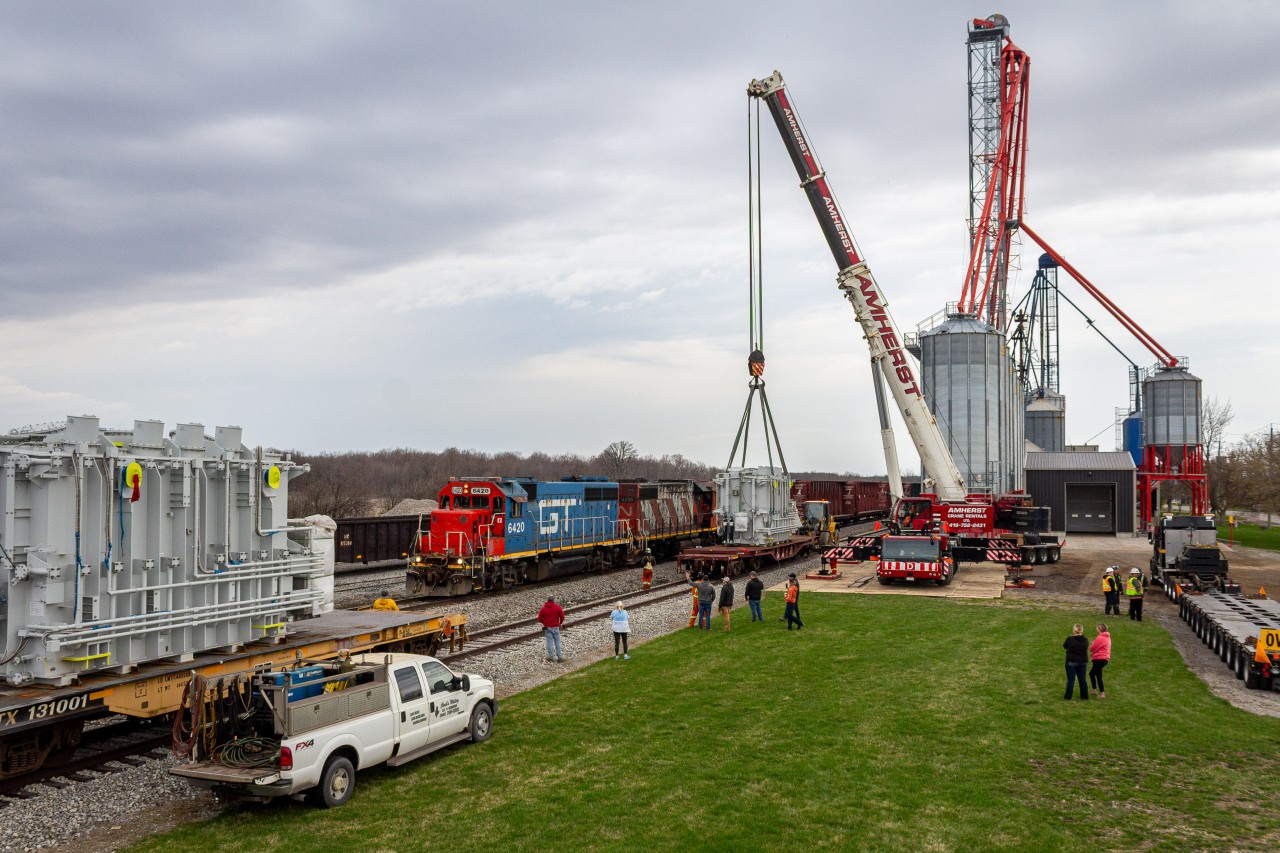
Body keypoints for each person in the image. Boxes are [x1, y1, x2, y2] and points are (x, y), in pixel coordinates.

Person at [1063, 623, 1089, 700]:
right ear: (1082, 630)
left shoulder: (1070, 638)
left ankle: (1068, 697)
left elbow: (1065, 646)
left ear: (1074, 630)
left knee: (1071, 680)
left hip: (1071, 662)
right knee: (1082, 680)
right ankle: (1084, 696)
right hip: (1083, 662)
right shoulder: (1085, 640)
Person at [537, 595, 566, 662]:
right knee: (557, 642)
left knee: (549, 642)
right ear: (553, 600)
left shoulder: (543, 609)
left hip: (547, 628)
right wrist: (560, 623)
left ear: (548, 600)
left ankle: (551, 656)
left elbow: (539, 618)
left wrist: (544, 623)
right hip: (556, 627)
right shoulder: (557, 607)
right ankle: (560, 657)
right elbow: (562, 617)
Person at [1089, 622, 1111, 698]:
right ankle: (1095, 690)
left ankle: (1101, 692)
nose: (1096, 629)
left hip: (1099, 659)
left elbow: (1092, 648)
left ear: (1100, 629)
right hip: (1105, 658)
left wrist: (1092, 644)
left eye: (1097, 627)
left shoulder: (1100, 638)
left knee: (1094, 674)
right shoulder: (1107, 637)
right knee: (1095, 674)